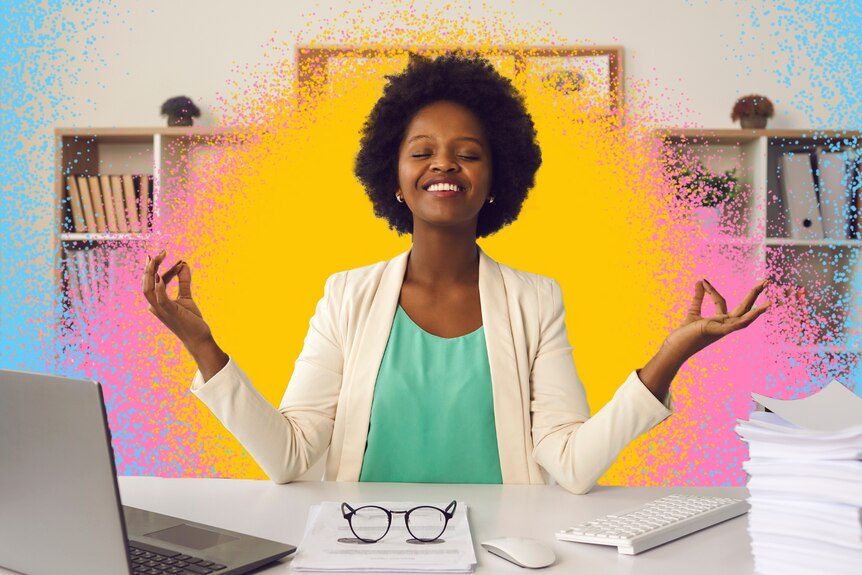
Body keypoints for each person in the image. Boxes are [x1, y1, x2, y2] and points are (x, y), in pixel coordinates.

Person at [142, 53, 769, 494]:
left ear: (496, 180)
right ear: (395, 178)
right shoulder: (347, 296)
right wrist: (204, 347)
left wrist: (669, 356)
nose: (444, 165)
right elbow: (288, 457)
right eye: (422, 152)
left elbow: (573, 465)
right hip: (361, 547)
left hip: (500, 554)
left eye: (468, 154)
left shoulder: (535, 300)